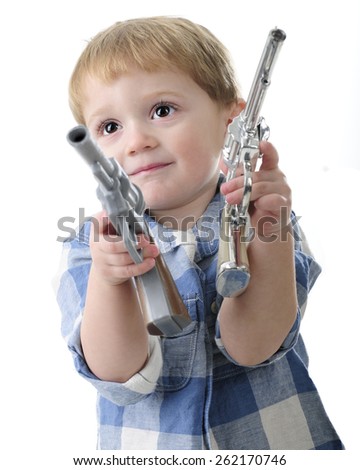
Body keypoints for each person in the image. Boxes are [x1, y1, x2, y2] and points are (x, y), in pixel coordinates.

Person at [55, 16, 344, 450]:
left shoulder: (269, 219)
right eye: (110, 128)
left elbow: (254, 347)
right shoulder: (91, 246)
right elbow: (119, 375)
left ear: (231, 117)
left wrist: (268, 232)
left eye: (162, 111)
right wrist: (110, 279)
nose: (136, 142)